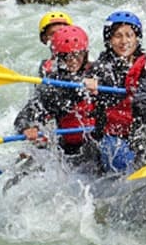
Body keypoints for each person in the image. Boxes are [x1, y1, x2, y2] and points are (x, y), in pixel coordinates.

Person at [86, 11, 146, 173]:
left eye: (129, 35)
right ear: (109, 40)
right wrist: (90, 82)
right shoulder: (101, 67)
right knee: (118, 155)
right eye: (117, 36)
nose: (124, 41)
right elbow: (93, 79)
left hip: (141, 131)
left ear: (137, 38)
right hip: (113, 137)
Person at [13, 24, 97, 164]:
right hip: (70, 149)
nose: (73, 61)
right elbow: (23, 117)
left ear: (85, 53)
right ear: (58, 57)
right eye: (66, 56)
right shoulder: (52, 86)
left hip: (98, 140)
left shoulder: (99, 72)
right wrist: (27, 128)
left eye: (78, 55)